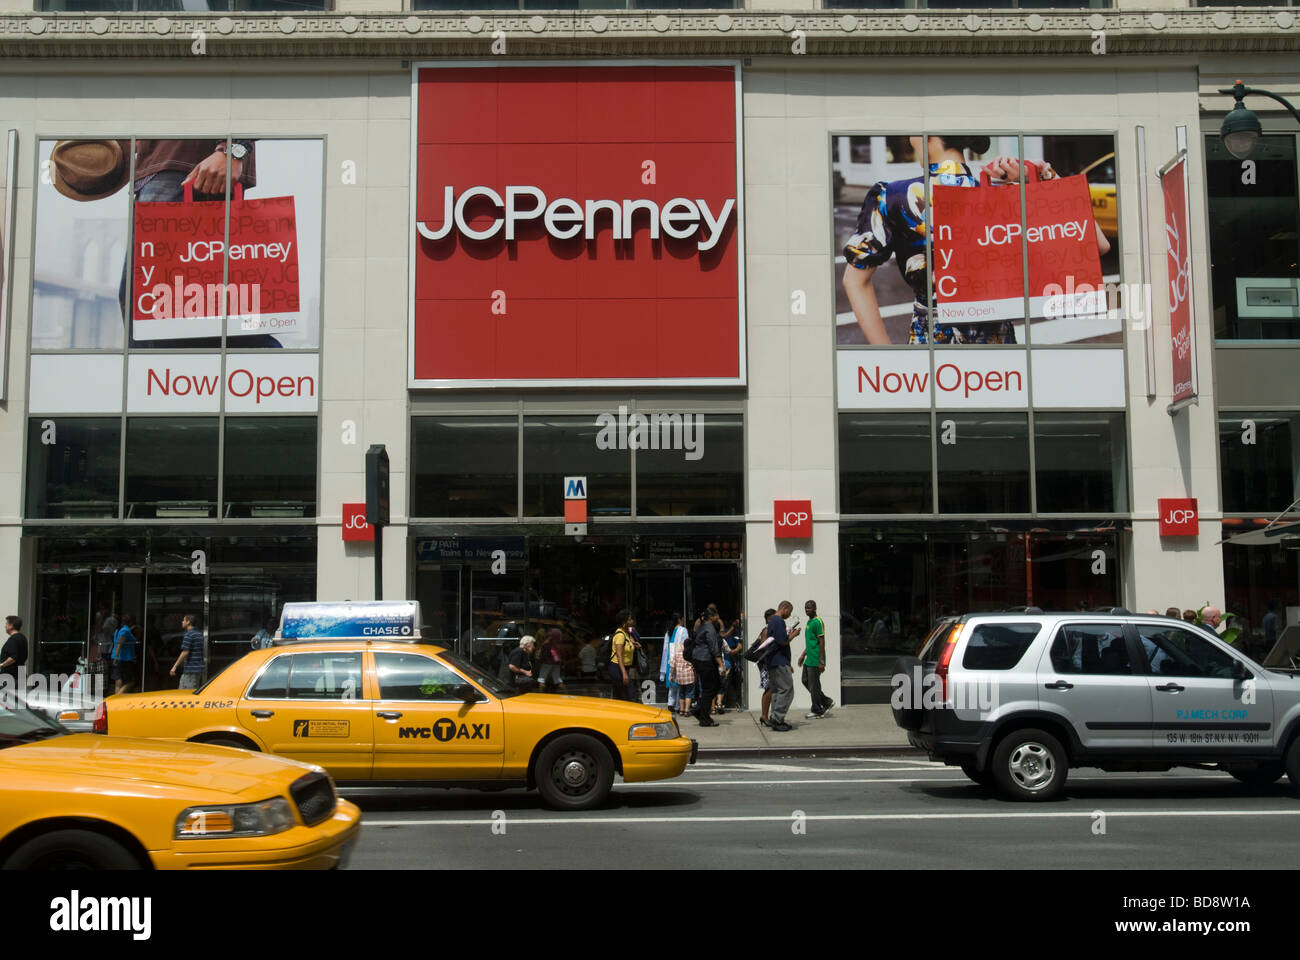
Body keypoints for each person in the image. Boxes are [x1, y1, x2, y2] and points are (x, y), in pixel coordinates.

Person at [842, 134, 1110, 345]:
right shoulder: (1001, 193)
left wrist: (887, 357)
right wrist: (1046, 180)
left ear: (927, 135)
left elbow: (855, 281)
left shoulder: (895, 197)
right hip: (998, 351)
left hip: (931, 348)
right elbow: (1098, 245)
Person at [766, 602, 801, 732]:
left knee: (777, 690)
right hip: (780, 661)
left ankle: (774, 717)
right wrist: (794, 634)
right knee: (787, 690)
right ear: (784, 608)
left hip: (772, 661)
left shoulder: (772, 621)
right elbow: (783, 641)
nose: (789, 614)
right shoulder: (779, 621)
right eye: (789, 611)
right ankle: (778, 719)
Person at [690, 606, 725, 727]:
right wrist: (721, 665)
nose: (718, 617)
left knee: (710, 687)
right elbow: (714, 648)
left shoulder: (702, 626)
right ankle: (703, 716)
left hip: (698, 660)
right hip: (706, 661)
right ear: (711, 617)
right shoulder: (710, 628)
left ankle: (700, 711)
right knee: (710, 688)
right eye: (717, 615)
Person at [799, 600, 834, 719]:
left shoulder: (818, 622)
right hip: (809, 658)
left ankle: (817, 710)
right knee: (805, 681)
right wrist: (803, 654)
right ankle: (826, 701)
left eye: (809, 608)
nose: (807, 610)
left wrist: (821, 661)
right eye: (805, 608)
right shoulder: (809, 621)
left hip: (816, 659)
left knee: (814, 685)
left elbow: (821, 642)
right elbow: (811, 642)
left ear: (815, 608)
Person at [608, 610, 639, 702]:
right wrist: (624, 673)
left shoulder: (626, 633)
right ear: (624, 622)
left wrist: (634, 644)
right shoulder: (620, 635)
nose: (632, 621)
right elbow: (619, 655)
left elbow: (629, 643)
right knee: (629, 695)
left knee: (620, 696)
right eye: (629, 620)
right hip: (617, 668)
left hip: (622, 668)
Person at [169, 614, 205, 691]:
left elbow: (185, 652)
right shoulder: (199, 634)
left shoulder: (189, 635)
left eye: (183, 620)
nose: (182, 622)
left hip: (190, 669)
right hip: (197, 668)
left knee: (185, 693)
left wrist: (174, 666)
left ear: (188, 622)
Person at [661, 613, 689, 713]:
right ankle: (677, 706)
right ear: (679, 619)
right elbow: (685, 645)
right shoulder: (683, 630)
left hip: (669, 659)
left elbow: (665, 648)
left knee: (672, 683)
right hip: (679, 658)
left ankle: (670, 704)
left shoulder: (669, 631)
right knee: (679, 684)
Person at [755, 608, 776, 727]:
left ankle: (766, 715)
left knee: (771, 689)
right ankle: (764, 715)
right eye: (773, 618)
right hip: (766, 664)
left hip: (769, 663)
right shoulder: (766, 630)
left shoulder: (771, 630)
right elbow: (763, 648)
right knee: (769, 689)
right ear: (768, 619)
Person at [718, 615, 742, 713]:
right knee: (722, 686)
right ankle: (719, 704)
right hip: (724, 664)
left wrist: (736, 649)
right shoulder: (720, 636)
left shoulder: (734, 633)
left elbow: (734, 648)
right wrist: (737, 649)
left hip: (728, 663)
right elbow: (725, 638)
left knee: (725, 685)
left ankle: (721, 703)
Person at [111, 614, 139, 694]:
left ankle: (117, 700)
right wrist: (116, 656)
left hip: (118, 658)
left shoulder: (118, 629)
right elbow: (120, 643)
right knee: (131, 681)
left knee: (119, 681)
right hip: (124, 659)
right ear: (131, 622)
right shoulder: (125, 630)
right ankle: (118, 696)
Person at [671, 632, 696, 719]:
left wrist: (671, 675)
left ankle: (681, 710)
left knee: (681, 694)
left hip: (680, 677)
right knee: (689, 694)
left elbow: (673, 665)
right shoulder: (692, 653)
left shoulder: (678, 653)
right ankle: (686, 711)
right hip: (689, 677)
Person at [1, 616, 28, 685]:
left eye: (6, 624)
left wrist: (2, 665)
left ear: (11, 626)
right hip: (21, 675)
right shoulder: (22, 638)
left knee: (7, 695)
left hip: (11, 677)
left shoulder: (13, 639)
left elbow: (13, 657)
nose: (5, 626)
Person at [537, 628, 566, 693]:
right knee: (557, 678)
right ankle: (565, 692)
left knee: (542, 678)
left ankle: (540, 694)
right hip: (557, 663)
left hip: (547, 663)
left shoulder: (547, 644)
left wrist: (540, 660)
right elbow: (563, 654)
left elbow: (543, 654)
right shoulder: (559, 644)